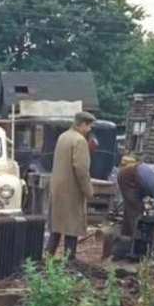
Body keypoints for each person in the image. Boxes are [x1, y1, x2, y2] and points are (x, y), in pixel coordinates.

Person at [46, 111, 96, 260]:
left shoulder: (63, 137)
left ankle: (47, 258)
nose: (90, 129)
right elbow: (81, 169)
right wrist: (89, 191)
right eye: (88, 126)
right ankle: (70, 263)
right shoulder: (79, 141)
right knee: (71, 228)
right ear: (82, 125)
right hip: (71, 191)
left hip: (57, 189)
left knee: (57, 227)